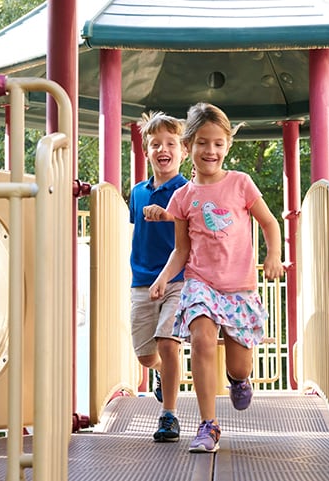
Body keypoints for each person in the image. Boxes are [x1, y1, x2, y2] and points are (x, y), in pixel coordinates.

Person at [146, 102, 284, 453]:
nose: (211, 151)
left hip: (238, 287)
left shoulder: (241, 183)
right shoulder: (183, 197)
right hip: (200, 283)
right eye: (203, 143)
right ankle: (208, 425)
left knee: (239, 364)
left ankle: (239, 379)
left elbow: (269, 222)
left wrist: (273, 255)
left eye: (219, 143)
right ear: (189, 145)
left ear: (227, 145)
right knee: (201, 337)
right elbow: (181, 250)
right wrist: (163, 279)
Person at [128, 111, 190, 443]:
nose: (163, 149)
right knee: (146, 355)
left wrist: (167, 216)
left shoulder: (188, 191)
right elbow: (136, 232)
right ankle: (160, 375)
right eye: (155, 144)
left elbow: (191, 234)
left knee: (168, 344)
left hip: (178, 279)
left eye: (171, 143)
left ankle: (169, 416)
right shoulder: (137, 192)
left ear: (183, 151)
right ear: (146, 150)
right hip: (142, 280)